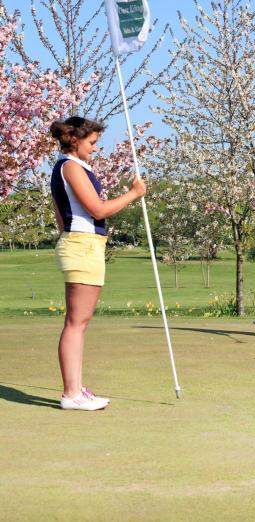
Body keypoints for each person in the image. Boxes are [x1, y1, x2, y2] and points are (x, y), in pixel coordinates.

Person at [50, 116, 146, 410]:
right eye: (91, 143)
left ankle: (76, 389)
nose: (95, 148)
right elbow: (97, 209)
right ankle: (71, 394)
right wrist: (133, 194)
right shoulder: (70, 167)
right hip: (82, 246)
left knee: (80, 322)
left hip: (83, 244)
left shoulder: (71, 167)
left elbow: (59, 213)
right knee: (76, 323)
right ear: (74, 140)